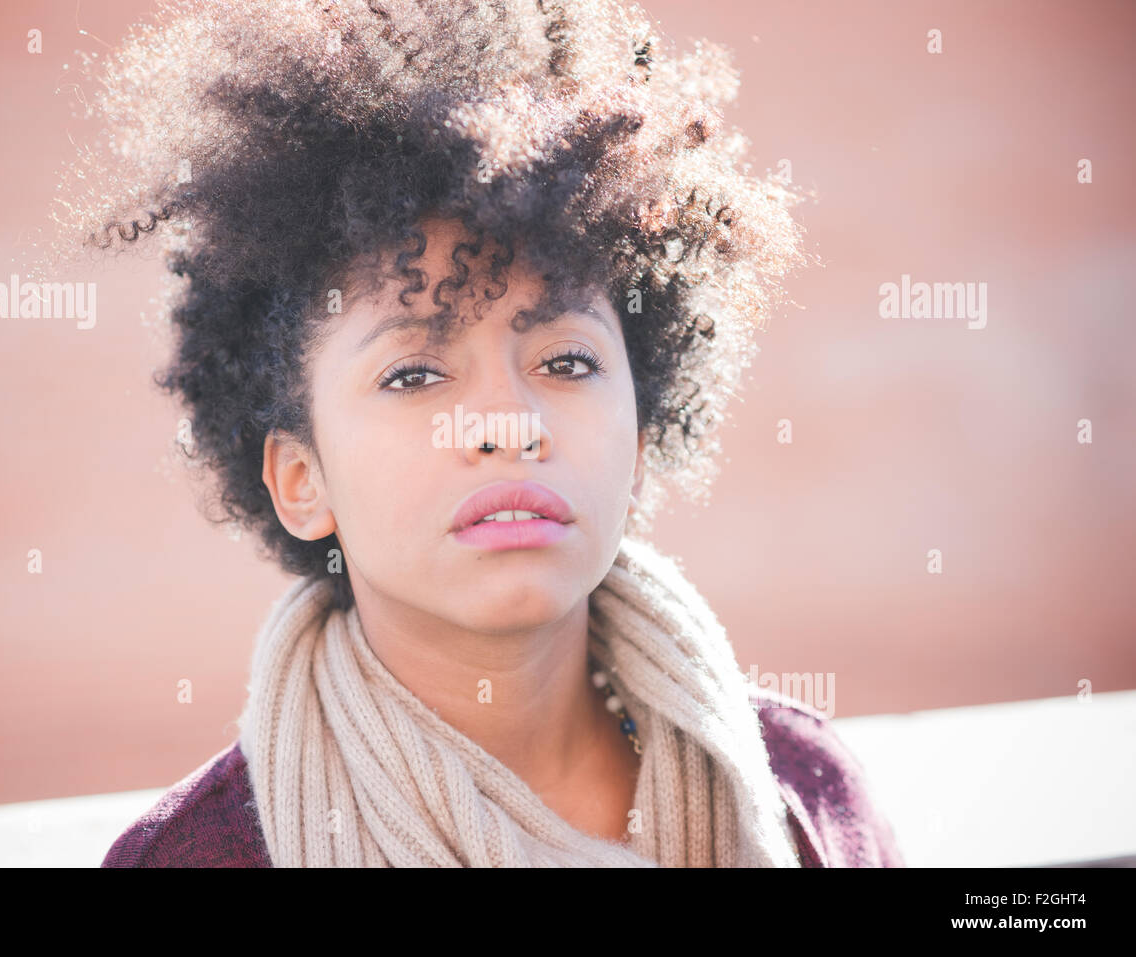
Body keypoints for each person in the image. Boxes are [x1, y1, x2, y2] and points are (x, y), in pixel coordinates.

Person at [57, 0, 903, 866]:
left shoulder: (809, 800)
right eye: (415, 375)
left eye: (567, 363)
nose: (508, 425)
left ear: (640, 445)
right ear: (302, 481)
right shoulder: (200, 859)